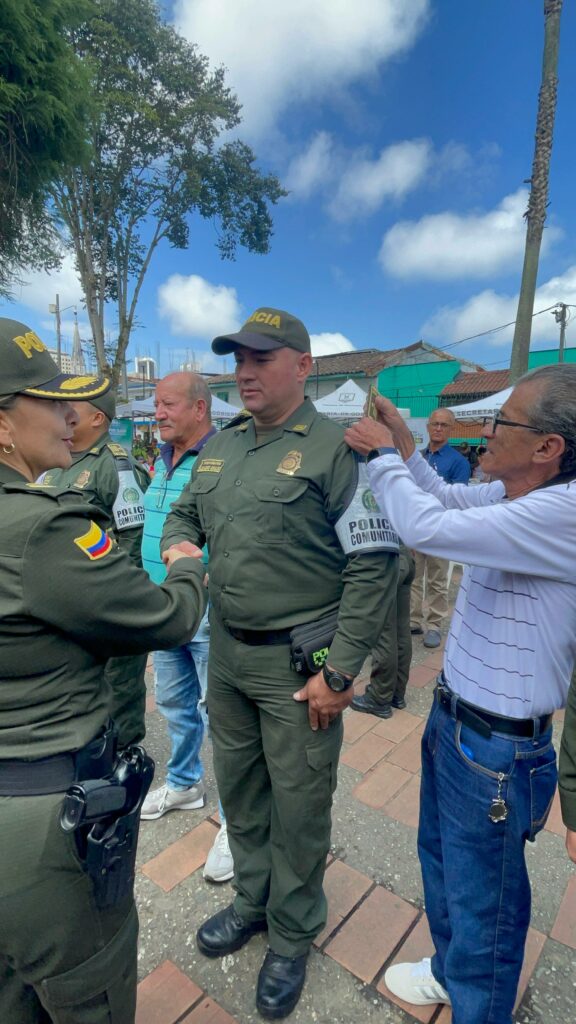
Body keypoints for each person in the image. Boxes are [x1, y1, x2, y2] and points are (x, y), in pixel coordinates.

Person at [161, 306, 399, 1020]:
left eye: (262, 358)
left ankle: (293, 933)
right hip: (227, 657)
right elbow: (184, 516)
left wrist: (339, 673)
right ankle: (252, 903)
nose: (245, 370)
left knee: (298, 804)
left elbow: (374, 565)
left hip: (300, 666)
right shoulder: (222, 446)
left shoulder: (338, 449)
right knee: (241, 791)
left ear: (303, 365)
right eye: (239, 358)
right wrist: (180, 547)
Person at [344, 364, 576, 1024]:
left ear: (546, 447)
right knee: (442, 866)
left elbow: (424, 531)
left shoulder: (563, 513)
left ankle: (478, 1004)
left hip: (496, 751)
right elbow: (442, 503)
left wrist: (384, 456)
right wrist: (407, 448)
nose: (485, 430)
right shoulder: (515, 496)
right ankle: (451, 974)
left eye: (503, 420)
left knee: (488, 910)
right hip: (456, 721)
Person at [0, 318, 207, 1024]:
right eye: (49, 400)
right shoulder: (39, 524)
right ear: (3, 424)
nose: (71, 415)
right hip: (39, 820)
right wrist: (188, 571)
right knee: (89, 989)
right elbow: (161, 617)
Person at [138, 373, 233, 881]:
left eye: (167, 403)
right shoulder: (162, 457)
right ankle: (185, 783)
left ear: (199, 408)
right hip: (161, 608)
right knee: (174, 702)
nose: (158, 412)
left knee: (221, 714)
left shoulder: (222, 460)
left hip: (204, 609)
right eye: (156, 404)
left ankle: (239, 821)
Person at [43, 390, 150, 748]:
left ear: (97, 418)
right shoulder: (55, 461)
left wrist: (119, 611)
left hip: (106, 610)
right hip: (65, 611)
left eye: (72, 407)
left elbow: (133, 546)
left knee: (116, 700)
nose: (64, 414)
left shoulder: (116, 467)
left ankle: (120, 774)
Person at [410, 408, 470, 648]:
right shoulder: (419, 457)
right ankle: (412, 620)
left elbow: (457, 500)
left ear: (451, 428)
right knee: (413, 577)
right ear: (427, 426)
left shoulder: (458, 462)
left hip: (440, 528)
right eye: (434, 423)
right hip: (415, 528)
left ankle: (434, 624)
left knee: (436, 579)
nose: (438, 428)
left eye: (444, 425)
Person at [351, 542, 415, 718]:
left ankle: (379, 698)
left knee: (383, 633)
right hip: (404, 554)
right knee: (401, 630)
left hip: (383, 559)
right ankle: (397, 694)